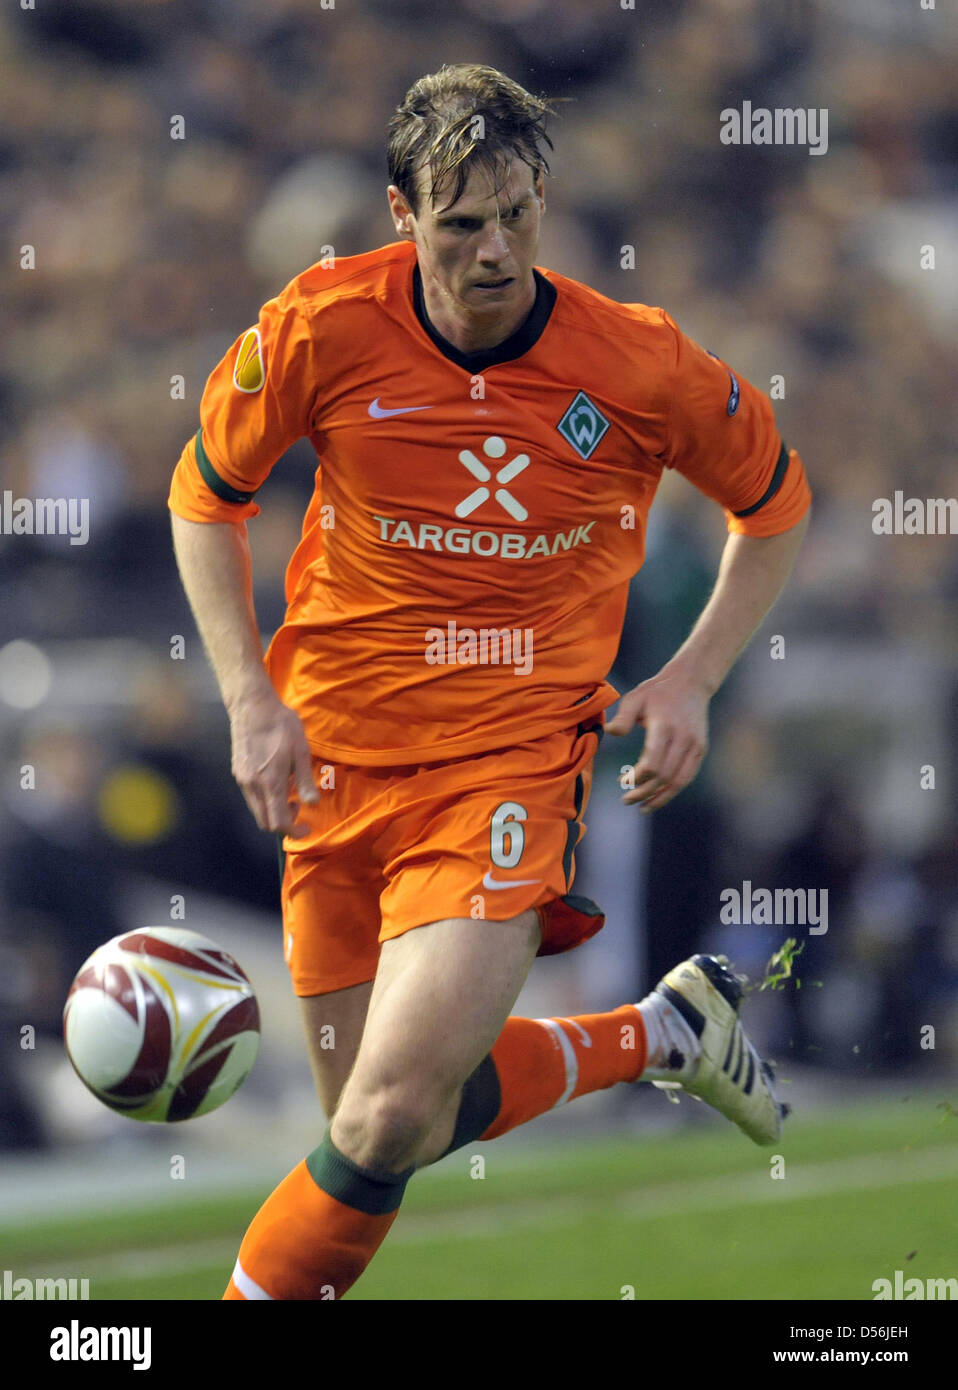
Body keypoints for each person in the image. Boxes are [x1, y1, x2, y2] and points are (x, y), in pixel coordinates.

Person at [168, 63, 810, 1302]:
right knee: (386, 1117)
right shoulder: (318, 326)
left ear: (543, 205)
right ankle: (662, 1033)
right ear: (401, 214)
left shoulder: (637, 363)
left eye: (518, 215)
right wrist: (251, 699)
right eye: (462, 223)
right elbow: (207, 495)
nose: (496, 250)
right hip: (333, 774)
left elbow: (773, 507)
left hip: (507, 766)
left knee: (387, 1113)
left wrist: (688, 679)